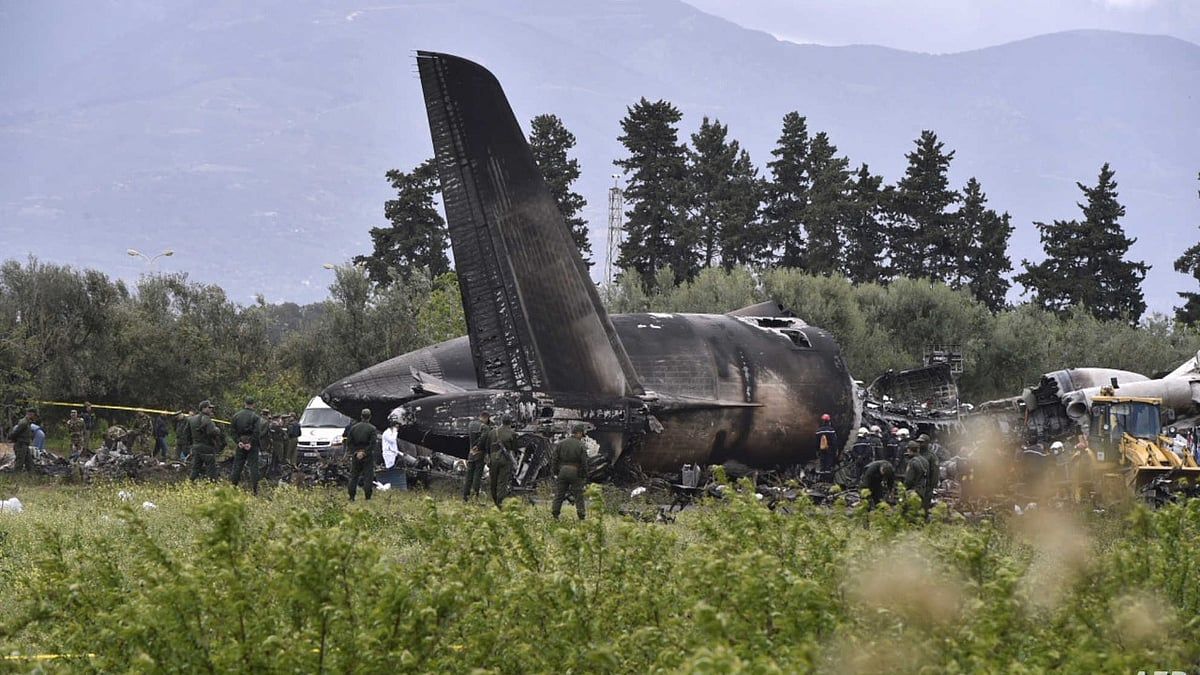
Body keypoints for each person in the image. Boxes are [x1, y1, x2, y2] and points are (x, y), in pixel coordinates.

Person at [229, 397, 266, 494]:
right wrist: (250, 443)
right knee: (254, 467)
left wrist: (238, 442)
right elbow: (257, 432)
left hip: (240, 443)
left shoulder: (236, 416)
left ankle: (233, 487)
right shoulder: (255, 417)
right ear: (253, 404)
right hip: (252, 445)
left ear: (244, 403)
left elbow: (232, 431)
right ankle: (255, 490)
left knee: (237, 466)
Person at [551, 423, 589, 520]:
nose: (582, 437)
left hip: (562, 471)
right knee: (578, 495)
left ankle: (555, 514)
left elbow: (554, 459)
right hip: (575, 471)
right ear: (578, 433)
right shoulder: (581, 445)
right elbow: (584, 462)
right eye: (582, 435)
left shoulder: (561, 443)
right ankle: (581, 516)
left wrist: (555, 472)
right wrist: (584, 475)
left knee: (559, 494)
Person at [184, 401, 225, 481]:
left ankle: (190, 483)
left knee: (195, 468)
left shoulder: (191, 419)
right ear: (203, 408)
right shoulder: (207, 419)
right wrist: (218, 430)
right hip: (207, 448)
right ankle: (211, 484)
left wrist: (192, 445)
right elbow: (211, 432)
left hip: (196, 448)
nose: (211, 409)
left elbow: (186, 433)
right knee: (211, 469)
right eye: (209, 408)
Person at [346, 408, 379, 501]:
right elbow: (373, 444)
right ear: (370, 417)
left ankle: (351, 496)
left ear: (361, 416)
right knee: (368, 476)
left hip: (356, 455)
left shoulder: (353, 428)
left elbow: (349, 442)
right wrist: (364, 452)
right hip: (367, 456)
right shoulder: (372, 429)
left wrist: (356, 452)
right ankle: (367, 497)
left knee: (353, 476)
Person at [487, 415, 517, 507]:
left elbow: (487, 447)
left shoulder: (492, 432)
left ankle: (494, 499)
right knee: (502, 481)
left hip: (493, 458)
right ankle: (500, 502)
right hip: (505, 459)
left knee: (493, 480)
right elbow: (514, 448)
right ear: (510, 423)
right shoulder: (512, 433)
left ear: (501, 421)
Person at [463, 411, 493, 501]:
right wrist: (478, 446)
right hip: (479, 454)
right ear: (486, 418)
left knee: (468, 476)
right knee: (477, 476)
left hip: (471, 454)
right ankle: (475, 495)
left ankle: (465, 496)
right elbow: (485, 437)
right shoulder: (485, 427)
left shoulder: (471, 424)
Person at [902, 443, 931, 512]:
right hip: (923, 491)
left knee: (910, 512)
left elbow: (908, 480)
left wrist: (904, 488)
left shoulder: (912, 462)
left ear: (909, 450)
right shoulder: (925, 461)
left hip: (913, 492)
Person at [916, 433, 939, 507]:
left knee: (924, 505)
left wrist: (932, 486)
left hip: (926, 485)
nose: (919, 444)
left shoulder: (931, 456)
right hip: (916, 484)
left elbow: (935, 472)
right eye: (918, 442)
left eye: (921, 442)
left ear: (927, 443)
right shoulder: (916, 454)